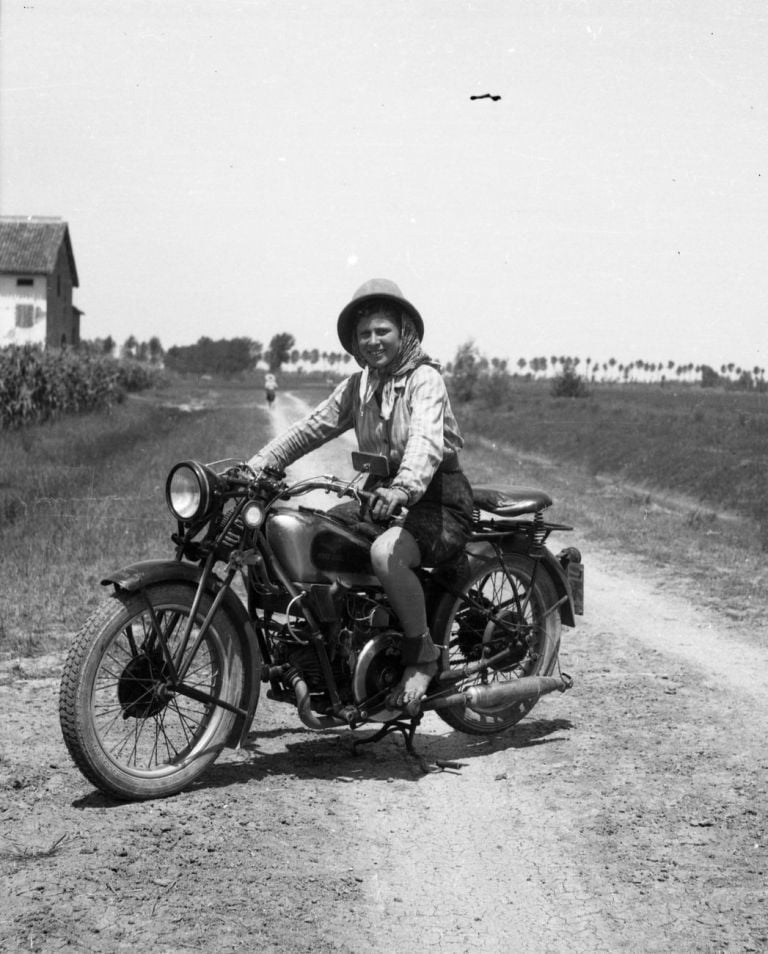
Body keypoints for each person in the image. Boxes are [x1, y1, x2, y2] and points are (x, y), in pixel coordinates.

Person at [247, 278, 473, 715]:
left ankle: (422, 655)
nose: (373, 341)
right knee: (320, 537)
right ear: (354, 340)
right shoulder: (359, 386)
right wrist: (258, 464)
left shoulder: (425, 381)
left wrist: (403, 488)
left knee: (387, 554)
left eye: (382, 331)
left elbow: (425, 443)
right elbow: (309, 428)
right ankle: (343, 649)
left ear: (404, 331)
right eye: (365, 333)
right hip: (383, 495)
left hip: (437, 500)